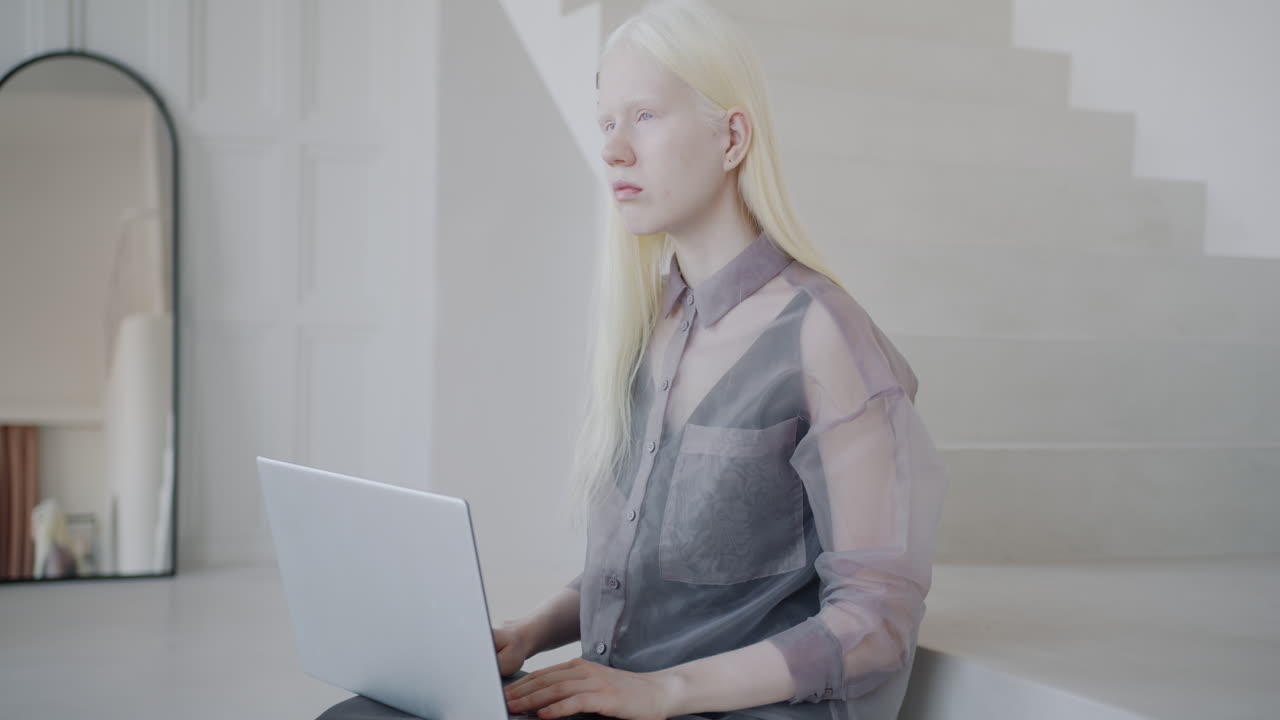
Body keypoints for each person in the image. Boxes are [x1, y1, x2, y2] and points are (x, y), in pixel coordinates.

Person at [495, 1, 949, 719]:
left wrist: (663, 690)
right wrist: (531, 631)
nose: (614, 148)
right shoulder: (646, 325)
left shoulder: (824, 334)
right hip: (623, 700)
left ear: (732, 136)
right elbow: (647, 572)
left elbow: (877, 621)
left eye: (644, 116)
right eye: (606, 120)